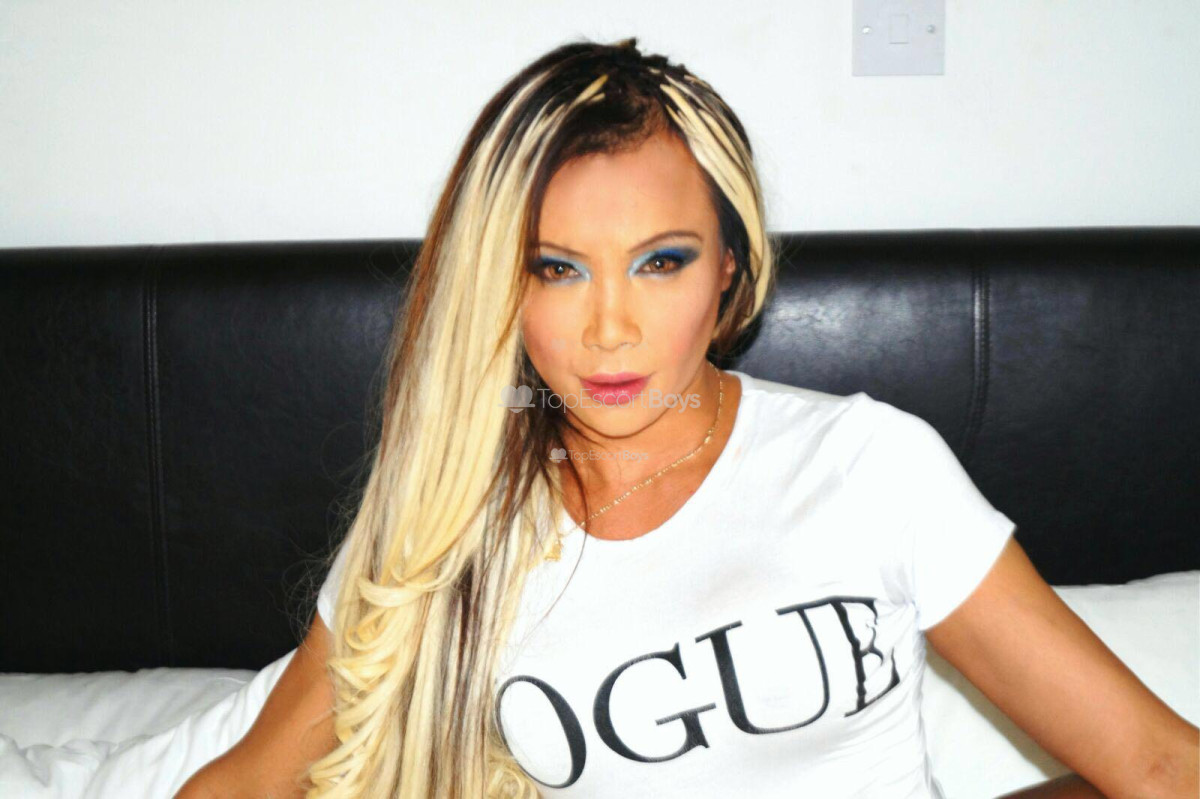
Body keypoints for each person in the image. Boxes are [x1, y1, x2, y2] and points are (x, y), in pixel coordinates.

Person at [178, 37, 1199, 799]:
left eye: (660, 261)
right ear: (502, 290)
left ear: (730, 273)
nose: (609, 328)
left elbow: (1156, 762)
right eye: (557, 268)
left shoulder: (866, 464)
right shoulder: (444, 522)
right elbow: (248, 782)